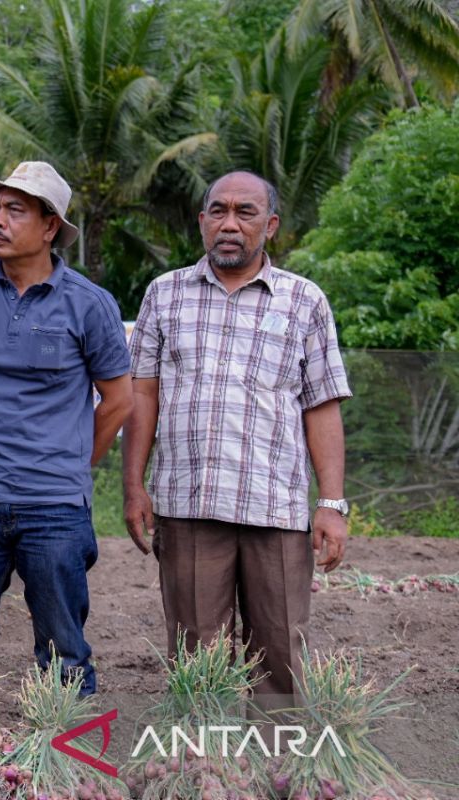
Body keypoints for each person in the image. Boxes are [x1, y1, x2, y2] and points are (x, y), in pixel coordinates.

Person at [122, 171, 351, 706]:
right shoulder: (164, 294)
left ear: (269, 225)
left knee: (280, 650)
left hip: (277, 508)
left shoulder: (304, 301)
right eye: (217, 211)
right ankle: (204, 770)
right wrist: (133, 486)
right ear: (202, 222)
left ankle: (279, 770)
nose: (229, 224)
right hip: (189, 504)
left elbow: (322, 407)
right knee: (196, 655)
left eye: (245, 213)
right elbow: (143, 397)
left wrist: (332, 503)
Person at [0, 161, 133, 693]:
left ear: (49, 227)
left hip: (55, 511)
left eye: (14, 210)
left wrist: (67, 460)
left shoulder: (89, 305)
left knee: (64, 653)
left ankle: (67, 761)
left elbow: (118, 401)